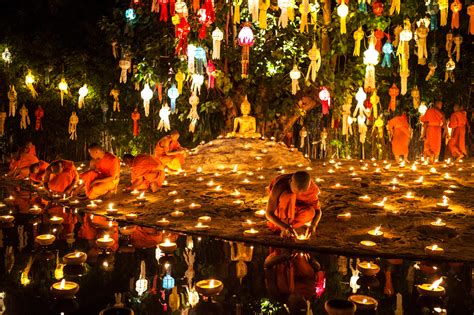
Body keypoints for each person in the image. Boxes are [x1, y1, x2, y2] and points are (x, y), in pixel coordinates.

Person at [265, 171, 321, 238]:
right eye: (296, 191)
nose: (299, 194)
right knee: (289, 195)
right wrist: (285, 227)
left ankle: (290, 227)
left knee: (310, 212)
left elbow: (318, 211)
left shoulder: (311, 189)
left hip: (296, 211)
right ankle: (282, 227)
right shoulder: (280, 185)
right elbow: (269, 213)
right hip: (281, 212)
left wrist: (313, 225)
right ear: (290, 181)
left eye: (303, 192)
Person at [264, 248, 320, 315]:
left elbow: (267, 266)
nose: (298, 295)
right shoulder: (309, 293)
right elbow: (316, 268)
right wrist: (311, 260)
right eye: (301, 298)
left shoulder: (278, 294)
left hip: (281, 251)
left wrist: (283, 257)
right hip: (301, 250)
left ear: (288, 305)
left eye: (296, 297)